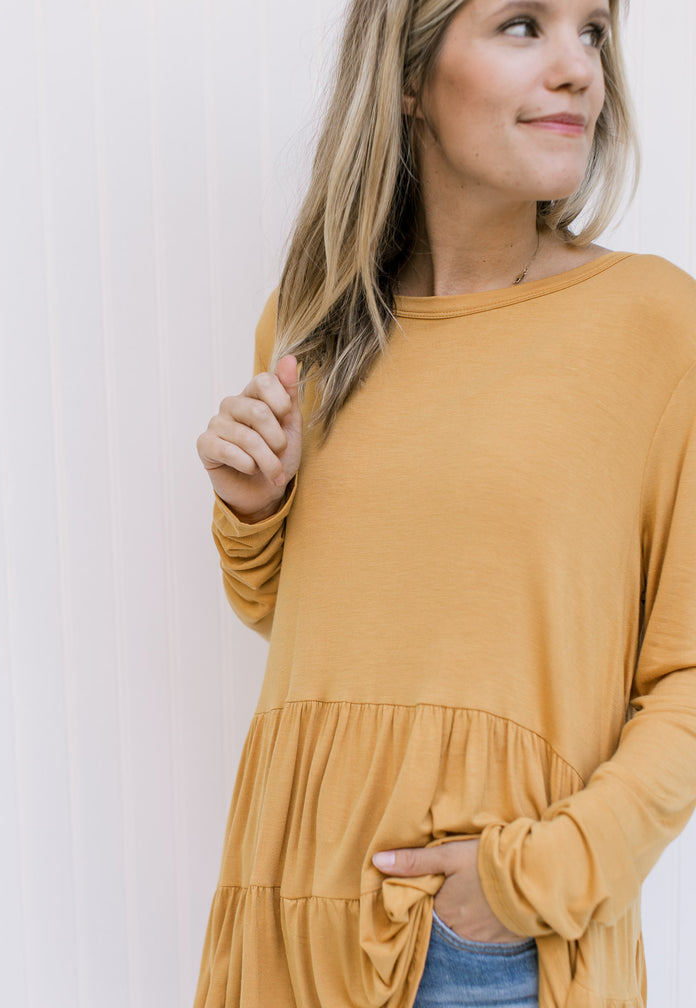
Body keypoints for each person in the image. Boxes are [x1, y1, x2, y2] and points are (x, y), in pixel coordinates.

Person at [194, 0, 696, 1005]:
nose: (578, 70)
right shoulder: (312, 327)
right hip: (282, 912)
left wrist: (527, 884)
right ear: (411, 77)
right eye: (523, 25)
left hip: (484, 950)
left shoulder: (654, 325)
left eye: (592, 31)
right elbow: (310, 620)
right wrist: (255, 511)